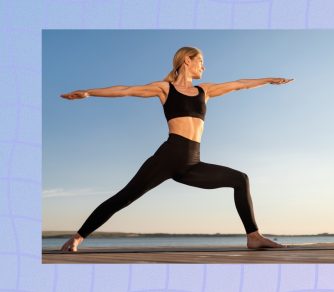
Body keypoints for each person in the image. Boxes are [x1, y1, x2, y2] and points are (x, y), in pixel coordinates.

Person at [60, 46, 294, 252]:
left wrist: (268, 79)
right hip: (168, 157)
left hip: (192, 163)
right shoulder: (165, 89)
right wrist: (89, 92)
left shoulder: (205, 91)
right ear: (187, 60)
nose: (204, 65)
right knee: (125, 197)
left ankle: (253, 237)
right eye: (201, 60)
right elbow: (126, 89)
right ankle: (78, 237)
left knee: (240, 179)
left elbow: (239, 84)